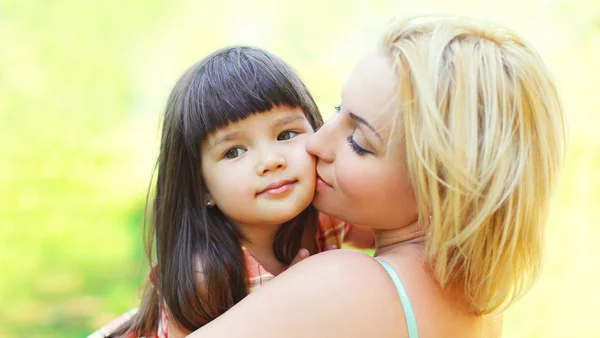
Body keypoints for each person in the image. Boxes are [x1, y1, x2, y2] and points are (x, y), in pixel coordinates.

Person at [187, 16, 567, 338]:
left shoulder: (341, 281)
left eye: (359, 141)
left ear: (439, 186)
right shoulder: (482, 300)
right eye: (338, 111)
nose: (316, 142)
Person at [89, 45, 373, 338]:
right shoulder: (208, 278)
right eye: (234, 151)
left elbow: (401, 233)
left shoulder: (328, 213)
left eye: (286, 135)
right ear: (201, 187)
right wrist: (288, 296)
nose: (270, 161)